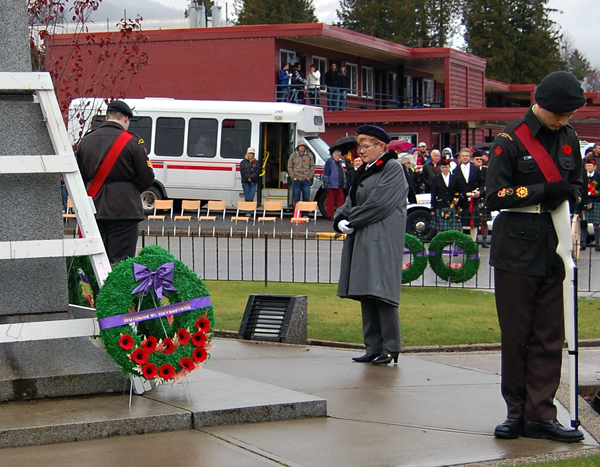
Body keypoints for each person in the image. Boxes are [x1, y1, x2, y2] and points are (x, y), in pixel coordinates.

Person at [487, 71, 585, 443]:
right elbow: (495, 196)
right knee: (516, 336)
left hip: (554, 244)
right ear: (541, 104)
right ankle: (515, 412)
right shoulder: (509, 140)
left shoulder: (569, 138)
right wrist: (546, 190)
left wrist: (570, 193)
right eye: (560, 113)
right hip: (516, 248)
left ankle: (541, 413)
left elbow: (575, 183)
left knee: (549, 334)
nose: (564, 120)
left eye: (569, 114)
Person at [333, 125, 408, 366]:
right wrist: (339, 218)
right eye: (360, 147)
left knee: (382, 293)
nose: (361, 151)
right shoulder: (365, 169)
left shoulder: (392, 168)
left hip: (382, 238)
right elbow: (350, 199)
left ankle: (390, 347)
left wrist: (351, 220)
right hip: (364, 235)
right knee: (367, 292)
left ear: (381, 147)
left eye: (366, 147)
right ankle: (372, 346)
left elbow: (379, 204)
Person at [76, 100, 155, 264]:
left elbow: (79, 176)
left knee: (96, 262)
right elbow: (146, 178)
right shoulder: (133, 142)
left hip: (94, 207)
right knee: (121, 265)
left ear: (107, 117)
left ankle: (99, 291)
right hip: (124, 209)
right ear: (126, 119)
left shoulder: (86, 141)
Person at [453, 148, 484, 241]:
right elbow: (453, 187)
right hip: (461, 201)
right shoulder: (455, 171)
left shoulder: (476, 169)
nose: (465, 157)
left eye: (466, 156)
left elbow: (482, 183)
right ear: (460, 157)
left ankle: (473, 243)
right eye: (463, 156)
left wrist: (479, 192)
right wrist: (455, 198)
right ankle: (459, 243)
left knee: (474, 224)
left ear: (470, 157)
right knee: (459, 224)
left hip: (473, 200)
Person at [430, 156, 462, 232]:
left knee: (454, 229)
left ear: (449, 167)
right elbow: (433, 194)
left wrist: (458, 198)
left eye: (446, 167)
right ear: (440, 168)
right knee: (441, 229)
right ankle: (442, 244)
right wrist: (433, 209)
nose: (445, 169)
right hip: (441, 205)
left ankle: (453, 244)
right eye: (443, 167)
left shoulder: (455, 178)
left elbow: (461, 190)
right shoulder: (436, 179)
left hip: (453, 205)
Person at [287, 138, 315, 206]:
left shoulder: (309, 156)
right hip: (296, 180)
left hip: (306, 180)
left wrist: (310, 176)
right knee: (296, 199)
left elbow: (312, 167)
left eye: (303, 146)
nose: (302, 147)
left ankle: (305, 214)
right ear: (298, 147)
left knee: (306, 198)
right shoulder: (293, 156)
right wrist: (293, 177)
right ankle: (297, 214)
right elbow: (289, 167)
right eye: (300, 146)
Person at [472, 151, 490, 248]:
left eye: (481, 159)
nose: (479, 161)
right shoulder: (471, 170)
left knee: (484, 220)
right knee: (475, 220)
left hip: (483, 198)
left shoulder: (486, 170)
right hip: (473, 198)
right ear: (473, 160)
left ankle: (484, 240)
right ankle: (475, 238)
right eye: (477, 159)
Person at [582, 157, 600, 250]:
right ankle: (582, 243)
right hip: (585, 201)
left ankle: (598, 243)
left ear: (594, 167)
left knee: (596, 223)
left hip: (596, 201)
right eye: (587, 165)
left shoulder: (598, 176)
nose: (588, 167)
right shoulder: (582, 176)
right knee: (583, 222)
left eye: (590, 166)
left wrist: (595, 193)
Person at [323, 148, 346, 218]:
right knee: (330, 201)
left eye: (339, 155)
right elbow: (326, 173)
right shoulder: (329, 162)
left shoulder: (339, 163)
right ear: (333, 155)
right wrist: (326, 182)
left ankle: (339, 215)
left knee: (340, 200)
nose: (338, 157)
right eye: (336, 155)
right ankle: (330, 215)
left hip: (339, 184)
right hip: (331, 185)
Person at [240, 147, 260, 212]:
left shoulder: (257, 163)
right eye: (250, 153)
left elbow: (258, 171)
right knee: (247, 197)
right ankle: (248, 212)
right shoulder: (243, 162)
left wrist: (251, 178)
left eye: (252, 153)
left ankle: (249, 211)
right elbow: (242, 172)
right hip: (245, 182)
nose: (251, 155)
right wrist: (248, 177)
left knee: (251, 197)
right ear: (247, 154)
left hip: (254, 182)